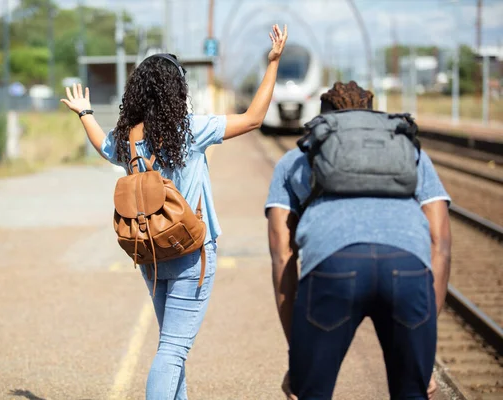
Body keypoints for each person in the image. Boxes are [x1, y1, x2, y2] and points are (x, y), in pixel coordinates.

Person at [61, 24, 288, 400]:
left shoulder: (128, 138)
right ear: (176, 91)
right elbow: (253, 119)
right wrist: (274, 64)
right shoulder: (190, 131)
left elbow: (104, 147)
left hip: (151, 254)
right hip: (191, 252)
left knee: (173, 349)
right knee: (173, 351)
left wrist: (85, 112)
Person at [265, 81, 451, 400]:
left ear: (323, 120)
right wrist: (423, 346)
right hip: (407, 269)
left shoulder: (295, 159)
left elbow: (283, 255)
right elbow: (440, 243)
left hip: (333, 268)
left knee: (310, 392)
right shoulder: (409, 153)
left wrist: (300, 356)